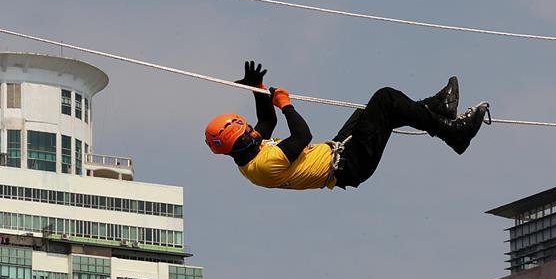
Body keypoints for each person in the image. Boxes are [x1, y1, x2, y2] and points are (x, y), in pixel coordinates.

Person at [204, 61, 490, 190]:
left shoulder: (249, 152)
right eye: (247, 131)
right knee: (385, 98)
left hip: (341, 151)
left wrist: (258, 88)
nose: (253, 131)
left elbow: (267, 121)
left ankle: (436, 108)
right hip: (350, 163)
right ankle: (455, 134)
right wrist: (286, 104)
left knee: (378, 111)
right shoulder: (263, 165)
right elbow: (303, 135)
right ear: (240, 141)